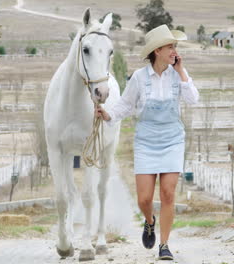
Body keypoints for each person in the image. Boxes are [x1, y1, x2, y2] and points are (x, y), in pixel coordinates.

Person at [96, 24, 199, 260]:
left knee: (167, 194)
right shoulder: (139, 78)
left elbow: (193, 99)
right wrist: (108, 115)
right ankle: (149, 221)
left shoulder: (178, 75)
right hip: (146, 142)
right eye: (170, 46)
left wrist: (182, 71)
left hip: (173, 140)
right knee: (143, 199)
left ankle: (164, 245)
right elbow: (125, 105)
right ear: (157, 50)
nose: (174, 50)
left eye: (175, 46)